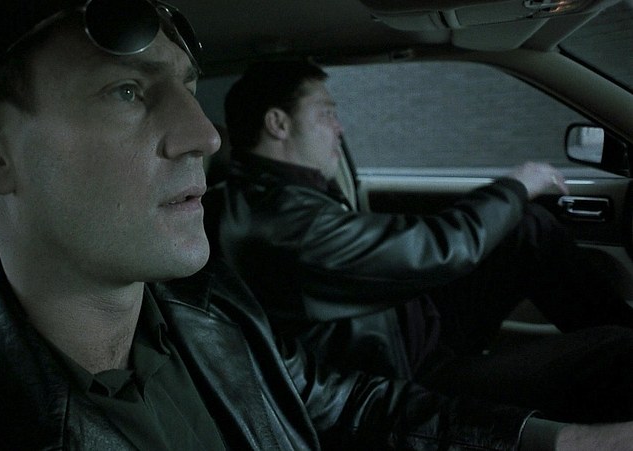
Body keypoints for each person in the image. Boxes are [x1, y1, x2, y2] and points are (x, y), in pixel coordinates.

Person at [0, 1, 632, 450]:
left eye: (188, 88)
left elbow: (343, 406)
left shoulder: (206, 308)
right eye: (128, 91)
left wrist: (562, 442)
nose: (201, 134)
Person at [204, 60, 633, 424]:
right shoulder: (275, 219)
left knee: (524, 228)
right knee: (616, 351)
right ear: (278, 124)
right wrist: (517, 184)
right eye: (326, 114)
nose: (339, 128)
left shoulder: (285, 194)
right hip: (408, 376)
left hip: (412, 331)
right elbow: (431, 250)